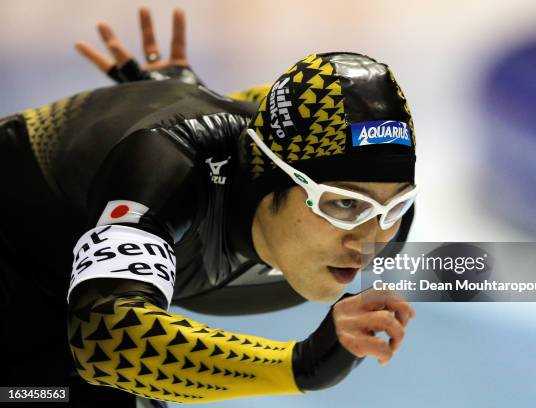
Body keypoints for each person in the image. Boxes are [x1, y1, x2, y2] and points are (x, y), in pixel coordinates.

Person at [0, 7, 417, 407]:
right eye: (345, 204)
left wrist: (175, 95)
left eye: (395, 205)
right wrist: (300, 365)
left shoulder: (387, 227)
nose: (369, 239)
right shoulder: (169, 167)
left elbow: (469, 270)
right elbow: (105, 335)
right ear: (270, 177)